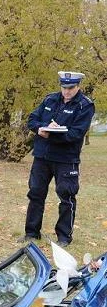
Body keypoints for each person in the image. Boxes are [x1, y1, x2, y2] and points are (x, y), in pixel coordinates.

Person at [19, 71, 95, 247]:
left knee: (66, 196)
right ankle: (31, 233)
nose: (67, 91)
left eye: (71, 88)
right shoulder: (50, 99)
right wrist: (40, 129)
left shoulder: (85, 106)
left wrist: (52, 133)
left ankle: (63, 237)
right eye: (64, 87)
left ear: (78, 87)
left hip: (66, 159)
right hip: (42, 156)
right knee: (36, 193)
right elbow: (32, 119)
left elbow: (76, 133)